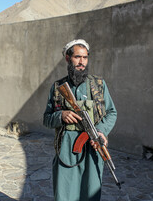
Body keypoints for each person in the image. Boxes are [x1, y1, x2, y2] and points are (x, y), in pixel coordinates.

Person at [43, 39, 117, 201]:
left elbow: (112, 112)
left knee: (90, 192)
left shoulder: (98, 85)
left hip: (93, 144)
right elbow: (47, 119)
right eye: (77, 57)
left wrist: (101, 131)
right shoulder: (57, 88)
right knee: (65, 193)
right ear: (68, 59)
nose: (81, 62)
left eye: (85, 57)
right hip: (67, 147)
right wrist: (60, 116)